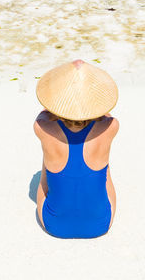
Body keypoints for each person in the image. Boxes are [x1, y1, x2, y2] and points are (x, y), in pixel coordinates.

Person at [33, 59, 120, 239]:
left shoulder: (41, 127)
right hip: (100, 224)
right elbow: (107, 114)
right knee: (106, 169)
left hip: (54, 225)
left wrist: (59, 100)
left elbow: (45, 111)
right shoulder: (111, 127)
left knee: (45, 171)